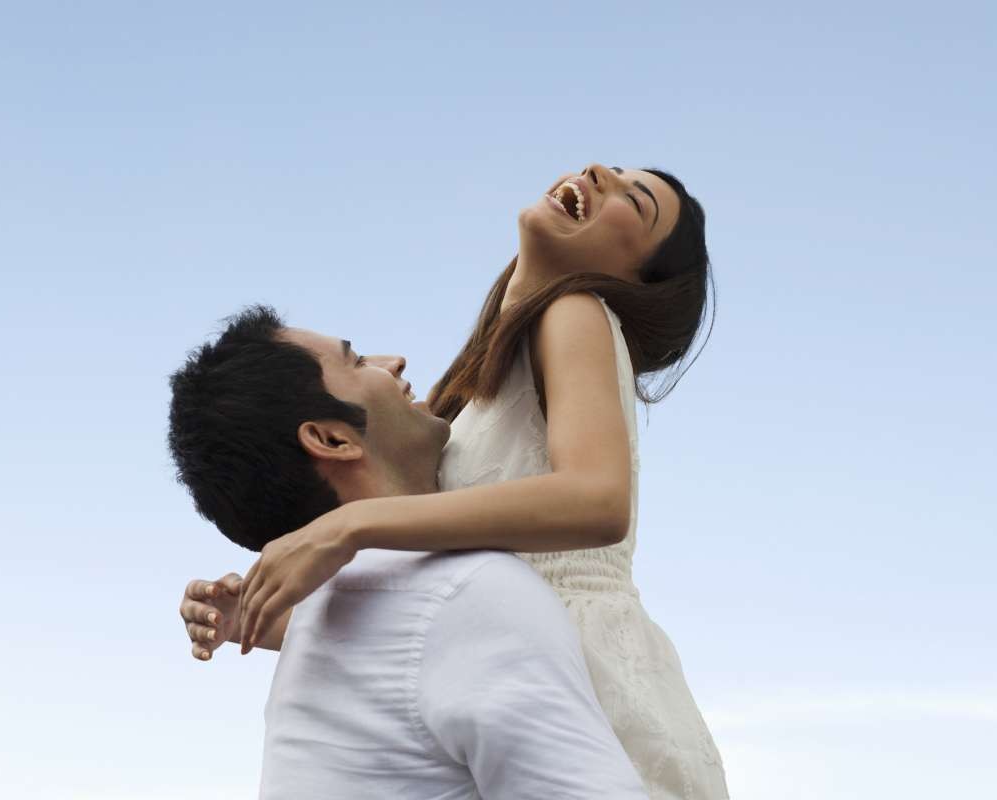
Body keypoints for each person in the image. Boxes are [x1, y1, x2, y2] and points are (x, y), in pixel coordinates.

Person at [181, 163, 730, 798]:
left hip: (585, 663)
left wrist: (346, 526)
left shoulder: (575, 311)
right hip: (501, 668)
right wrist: (264, 618)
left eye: (636, 204)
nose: (599, 170)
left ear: (634, 280)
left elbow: (599, 501)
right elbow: (422, 602)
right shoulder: (473, 381)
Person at [168, 306, 648, 799]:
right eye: (356, 362)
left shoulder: (324, 623)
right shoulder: (466, 595)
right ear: (332, 439)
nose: (394, 361)